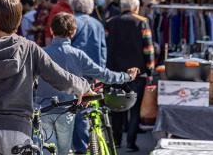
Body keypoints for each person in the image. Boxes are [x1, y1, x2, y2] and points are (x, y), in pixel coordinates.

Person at [0, 0, 92, 155]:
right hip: (19, 130)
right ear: (19, 21)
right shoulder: (30, 49)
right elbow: (60, 78)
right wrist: (84, 87)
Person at [37, 13, 138, 155]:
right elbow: (104, 75)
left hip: (43, 109)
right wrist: (127, 76)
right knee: (63, 151)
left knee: (47, 150)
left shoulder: (40, 53)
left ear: (52, 30)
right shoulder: (78, 55)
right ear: (73, 32)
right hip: (66, 111)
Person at [105, 0, 155, 152]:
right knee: (134, 109)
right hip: (137, 73)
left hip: (114, 72)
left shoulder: (110, 22)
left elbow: (105, 48)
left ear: (122, 7)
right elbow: (149, 49)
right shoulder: (142, 22)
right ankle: (131, 143)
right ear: (136, 7)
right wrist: (150, 70)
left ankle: (116, 140)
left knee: (117, 107)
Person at [67, 0, 109, 153]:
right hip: (93, 72)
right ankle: (86, 144)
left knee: (75, 108)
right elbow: (103, 50)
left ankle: (80, 147)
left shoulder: (72, 22)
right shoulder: (97, 24)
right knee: (86, 107)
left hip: (74, 71)